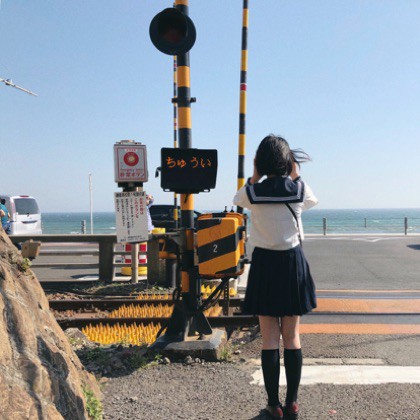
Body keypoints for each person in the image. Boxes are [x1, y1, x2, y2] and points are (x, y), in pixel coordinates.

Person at [233, 134, 318, 419]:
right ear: (288, 161)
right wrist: (296, 174)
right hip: (292, 263)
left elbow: (237, 199)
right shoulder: (299, 189)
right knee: (292, 337)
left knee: (269, 339)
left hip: (265, 265)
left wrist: (255, 175)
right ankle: (292, 402)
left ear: (260, 162)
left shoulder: (253, 193)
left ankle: (274, 405)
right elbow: (312, 199)